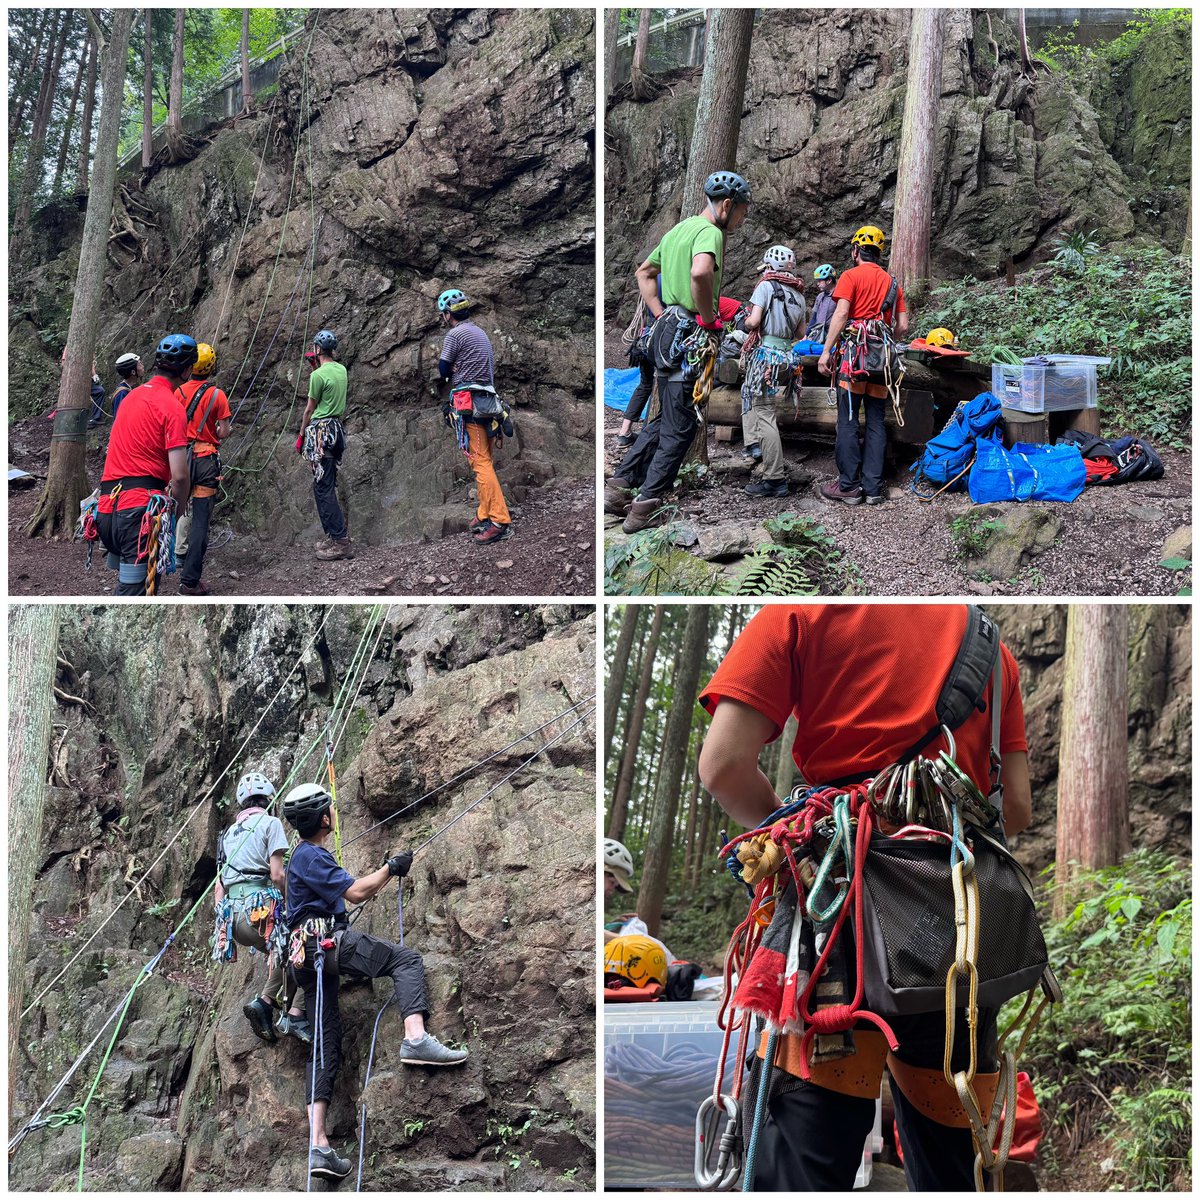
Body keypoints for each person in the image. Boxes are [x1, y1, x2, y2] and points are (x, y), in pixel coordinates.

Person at [697, 603, 1033, 1192]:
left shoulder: (801, 612)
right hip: (957, 923)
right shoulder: (992, 648)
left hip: (839, 915)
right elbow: (1017, 809)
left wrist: (796, 843)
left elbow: (724, 765)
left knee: (805, 1156)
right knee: (954, 1158)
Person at [281, 783, 470, 1182]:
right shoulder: (312, 856)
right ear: (325, 818)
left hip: (308, 958)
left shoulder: (303, 856)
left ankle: (319, 1145)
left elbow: (352, 892)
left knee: (325, 1046)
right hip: (328, 947)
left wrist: (385, 872)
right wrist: (390, 868)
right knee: (406, 959)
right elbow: (355, 892)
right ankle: (415, 1037)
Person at [603, 171, 752, 533]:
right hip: (690, 341)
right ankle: (645, 506)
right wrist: (707, 318)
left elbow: (644, 272)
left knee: (666, 418)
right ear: (727, 205)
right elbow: (701, 274)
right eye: (741, 214)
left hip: (666, 335)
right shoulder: (710, 233)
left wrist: (659, 313)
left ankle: (620, 486)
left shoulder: (676, 231)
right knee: (681, 426)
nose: (741, 221)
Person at [213, 772, 310, 1045]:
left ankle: (269, 1004)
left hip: (233, 921)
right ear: (269, 799)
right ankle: (291, 1012)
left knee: (285, 953)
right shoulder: (270, 822)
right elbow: (277, 875)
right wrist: (296, 903)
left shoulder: (227, 834)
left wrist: (224, 926)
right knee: (302, 948)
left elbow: (219, 888)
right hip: (260, 912)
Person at [816, 225, 909, 506]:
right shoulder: (893, 284)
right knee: (876, 420)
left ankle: (848, 486)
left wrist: (826, 352)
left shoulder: (850, 276)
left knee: (848, 420)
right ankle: (873, 488)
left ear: (856, 251)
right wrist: (882, 338)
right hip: (881, 360)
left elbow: (842, 313)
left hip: (855, 356)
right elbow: (902, 326)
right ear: (879, 254)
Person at [96, 334, 193, 596]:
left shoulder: (129, 397)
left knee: (131, 587)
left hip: (107, 509)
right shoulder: (172, 407)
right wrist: (179, 508)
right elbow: (180, 476)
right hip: (138, 513)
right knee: (136, 593)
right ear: (186, 370)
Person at [437, 288, 513, 545]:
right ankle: (484, 512)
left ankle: (499, 520)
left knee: (480, 462)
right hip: (488, 401)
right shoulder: (480, 333)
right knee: (484, 459)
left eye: (444, 314)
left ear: (448, 314)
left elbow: (443, 368)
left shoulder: (454, 334)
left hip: (469, 403)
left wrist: (452, 368)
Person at [739, 246, 807, 499]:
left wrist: (746, 322)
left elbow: (754, 322)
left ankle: (774, 478)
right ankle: (764, 457)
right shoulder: (799, 294)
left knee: (765, 414)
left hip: (765, 357)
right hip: (787, 359)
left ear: (770, 265)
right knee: (766, 410)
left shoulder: (766, 286)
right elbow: (800, 334)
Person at [174, 342, 231, 596]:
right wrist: (214, 432)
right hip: (206, 460)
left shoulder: (178, 393)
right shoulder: (218, 395)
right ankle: (189, 581)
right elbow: (224, 431)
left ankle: (161, 561)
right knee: (199, 522)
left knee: (172, 511)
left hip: (181, 460)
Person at [298, 330, 352, 561]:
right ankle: (333, 535)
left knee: (324, 487)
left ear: (317, 350)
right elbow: (330, 390)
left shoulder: (317, 376)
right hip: (336, 432)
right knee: (322, 486)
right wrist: (317, 370)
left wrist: (301, 435)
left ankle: (340, 540)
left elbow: (310, 409)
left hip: (321, 433)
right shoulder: (341, 370)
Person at [805, 264, 837, 342]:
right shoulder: (820, 296)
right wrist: (806, 334)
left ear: (829, 280)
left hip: (833, 335)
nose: (817, 284)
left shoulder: (839, 296)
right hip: (819, 334)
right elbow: (814, 318)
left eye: (820, 281)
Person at [111, 353, 144, 421]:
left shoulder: (133, 387)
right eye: (140, 364)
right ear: (133, 372)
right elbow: (119, 420)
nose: (142, 366)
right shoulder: (122, 394)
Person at [86, 359, 108, 428]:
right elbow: (64, 363)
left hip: (88, 379)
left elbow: (90, 363)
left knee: (100, 391)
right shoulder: (68, 349)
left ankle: (95, 418)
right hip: (77, 380)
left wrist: (94, 375)